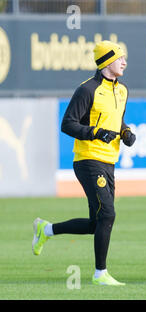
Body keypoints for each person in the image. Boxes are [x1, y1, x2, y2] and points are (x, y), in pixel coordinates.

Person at [32, 40, 136, 286]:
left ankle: (45, 230)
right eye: (120, 58)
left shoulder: (122, 90)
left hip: (109, 161)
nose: (124, 62)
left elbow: (118, 120)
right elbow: (67, 124)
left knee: (95, 223)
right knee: (108, 213)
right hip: (88, 159)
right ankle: (101, 273)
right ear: (106, 61)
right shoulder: (87, 90)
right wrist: (96, 133)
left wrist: (126, 131)